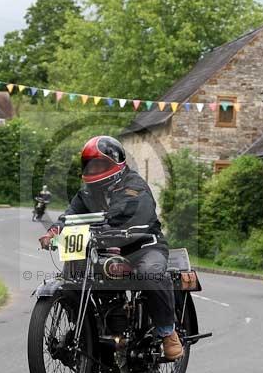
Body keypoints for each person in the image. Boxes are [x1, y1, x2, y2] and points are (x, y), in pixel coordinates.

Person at [38, 136, 183, 360]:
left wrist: (109, 225)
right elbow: (70, 216)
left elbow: (127, 210)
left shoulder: (133, 185)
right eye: (90, 164)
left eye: (99, 164)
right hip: (105, 248)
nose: (94, 169)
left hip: (143, 246)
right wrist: (54, 232)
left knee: (149, 274)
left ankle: (167, 332)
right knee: (74, 273)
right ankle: (87, 328)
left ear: (114, 162)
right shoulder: (87, 192)